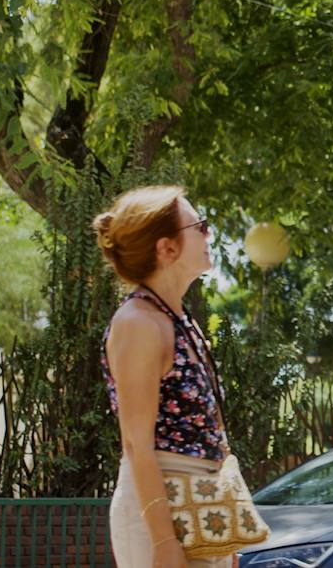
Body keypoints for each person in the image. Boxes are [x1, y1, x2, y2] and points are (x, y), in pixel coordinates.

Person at [96, 185, 235, 568]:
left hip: (202, 506)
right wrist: (162, 541)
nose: (208, 234)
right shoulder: (137, 323)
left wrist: (230, 528)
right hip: (158, 515)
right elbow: (137, 444)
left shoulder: (180, 321)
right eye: (199, 226)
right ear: (167, 248)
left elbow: (212, 432)